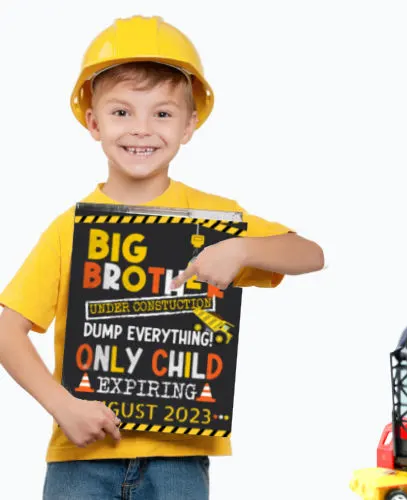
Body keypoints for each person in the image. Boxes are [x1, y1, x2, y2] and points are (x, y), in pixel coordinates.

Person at [0, 15, 324, 500]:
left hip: (179, 458)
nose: (142, 130)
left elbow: (310, 254)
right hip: (80, 458)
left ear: (190, 124)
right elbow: (8, 328)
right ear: (93, 121)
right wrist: (61, 405)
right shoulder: (72, 228)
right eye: (122, 112)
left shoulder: (216, 221)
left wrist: (241, 248)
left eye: (163, 114)